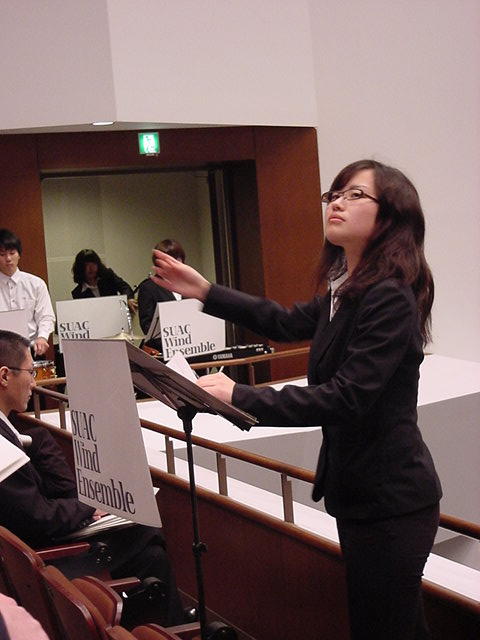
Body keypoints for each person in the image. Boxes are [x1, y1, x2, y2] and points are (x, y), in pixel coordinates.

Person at [152, 159, 443, 640]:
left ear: (391, 216)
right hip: (361, 494)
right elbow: (282, 321)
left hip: (392, 500)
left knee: (385, 627)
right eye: (334, 194)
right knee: (394, 626)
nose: (337, 203)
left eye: (355, 195)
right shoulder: (347, 290)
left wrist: (241, 395)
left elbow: (346, 397)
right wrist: (205, 290)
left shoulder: (389, 296)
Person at [0, 329, 185, 627]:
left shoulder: (8, 430)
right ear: (5, 376)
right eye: (30, 372)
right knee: (145, 531)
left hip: (31, 551)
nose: (34, 382)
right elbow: (40, 518)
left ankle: (158, 627)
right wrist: (89, 505)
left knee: (152, 556)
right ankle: (169, 627)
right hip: (45, 557)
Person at [0, 229, 55, 357]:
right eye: (2, 254)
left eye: (12, 253)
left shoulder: (36, 284)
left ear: (19, 254)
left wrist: (42, 337)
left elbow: (46, 316)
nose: (8, 258)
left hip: (31, 349)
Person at [137, 239, 185, 351]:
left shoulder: (187, 285)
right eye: (171, 260)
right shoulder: (148, 287)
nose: (176, 263)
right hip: (161, 350)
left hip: (189, 347)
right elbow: (147, 325)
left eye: (178, 259)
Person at [71, 249, 137, 314]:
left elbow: (124, 287)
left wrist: (128, 299)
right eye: (86, 265)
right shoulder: (77, 293)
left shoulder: (108, 275)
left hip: (116, 314)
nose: (91, 268)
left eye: (93, 263)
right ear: (80, 268)